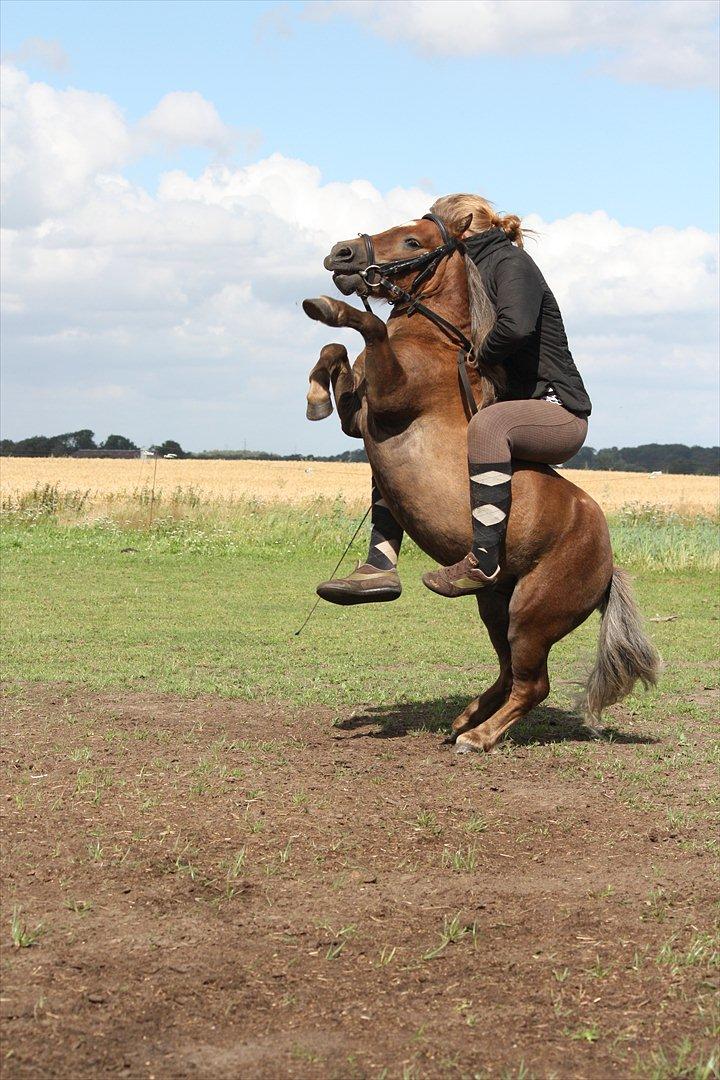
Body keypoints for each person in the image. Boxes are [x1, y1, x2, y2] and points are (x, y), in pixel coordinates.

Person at [316, 193, 592, 604]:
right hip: (513, 407)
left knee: (489, 425)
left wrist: (478, 355)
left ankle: (483, 560)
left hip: (556, 410)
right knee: (397, 438)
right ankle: (379, 563)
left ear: (461, 230)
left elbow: (515, 327)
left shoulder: (510, 262)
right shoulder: (465, 267)